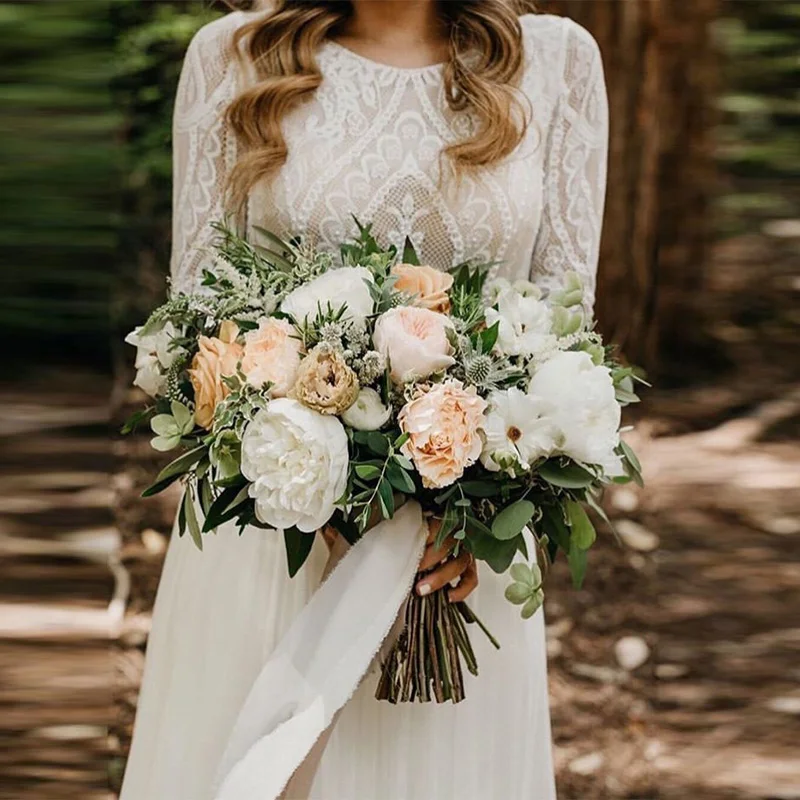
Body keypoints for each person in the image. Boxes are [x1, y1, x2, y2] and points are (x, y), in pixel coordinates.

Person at [120, 1, 608, 797]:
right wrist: (319, 494)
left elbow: (562, 331)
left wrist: (481, 510)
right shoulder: (234, 58)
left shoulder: (556, 62)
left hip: (457, 556)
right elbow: (194, 324)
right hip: (273, 530)